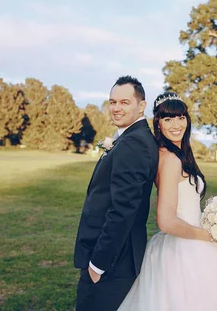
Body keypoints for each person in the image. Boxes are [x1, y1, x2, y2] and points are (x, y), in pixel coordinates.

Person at [118, 92, 217, 310]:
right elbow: (166, 221)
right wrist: (208, 235)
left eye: (181, 117)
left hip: (190, 238)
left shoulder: (174, 153)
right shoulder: (170, 160)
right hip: (185, 248)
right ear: (157, 123)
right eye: (168, 119)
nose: (176, 124)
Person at [74, 76, 159, 311]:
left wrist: (98, 264)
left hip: (113, 262)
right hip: (115, 258)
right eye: (112, 102)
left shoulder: (135, 143)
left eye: (124, 102)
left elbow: (123, 209)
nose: (116, 108)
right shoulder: (130, 138)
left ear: (141, 105)